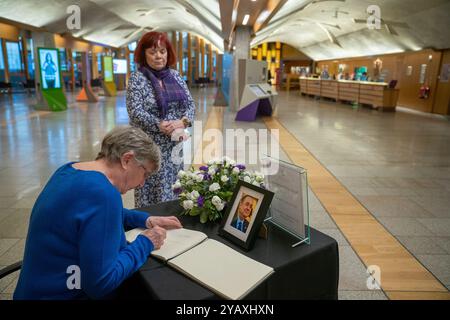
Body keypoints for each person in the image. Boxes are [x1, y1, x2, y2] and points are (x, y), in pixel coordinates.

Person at [14, 126, 182, 300]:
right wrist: (146, 242)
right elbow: (101, 283)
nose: (141, 184)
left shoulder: (69, 170)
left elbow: (89, 213)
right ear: (127, 160)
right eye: (145, 174)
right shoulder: (103, 193)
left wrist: (146, 219)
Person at [127, 31, 195, 208]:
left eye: (162, 51)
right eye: (152, 52)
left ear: (168, 53)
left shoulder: (176, 76)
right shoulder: (137, 79)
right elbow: (135, 111)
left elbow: (190, 105)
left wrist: (183, 122)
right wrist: (158, 124)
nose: (158, 56)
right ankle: (148, 223)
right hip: (149, 147)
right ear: (144, 55)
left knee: (174, 187)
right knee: (150, 188)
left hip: (174, 146)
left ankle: (171, 222)